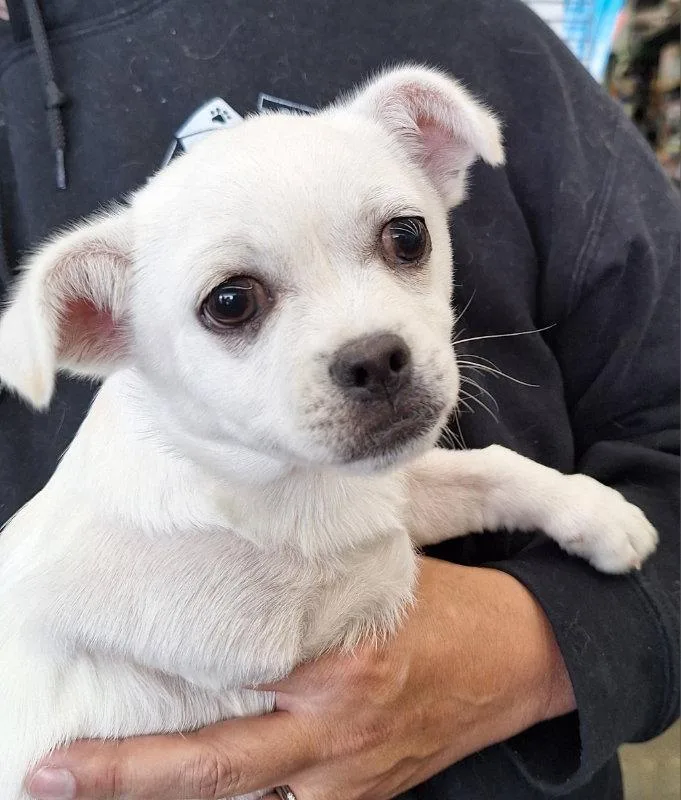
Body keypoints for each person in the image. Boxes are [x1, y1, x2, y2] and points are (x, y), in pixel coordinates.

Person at [0, 1, 678, 798]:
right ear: (101, 330)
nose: (368, 344)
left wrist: (537, 647)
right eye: (234, 305)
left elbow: (352, 518)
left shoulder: (475, 31)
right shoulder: (97, 561)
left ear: (440, 159)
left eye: (402, 242)